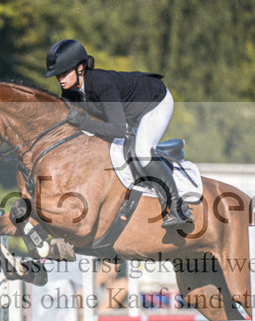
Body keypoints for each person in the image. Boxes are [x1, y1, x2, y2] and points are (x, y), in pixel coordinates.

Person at [44, 39, 193, 229]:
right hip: (130, 112)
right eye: (57, 75)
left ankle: (178, 209)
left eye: (64, 73)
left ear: (80, 68)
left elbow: (118, 130)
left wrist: (83, 122)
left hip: (155, 102)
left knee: (142, 152)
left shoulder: (101, 84)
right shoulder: (70, 91)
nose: (60, 79)